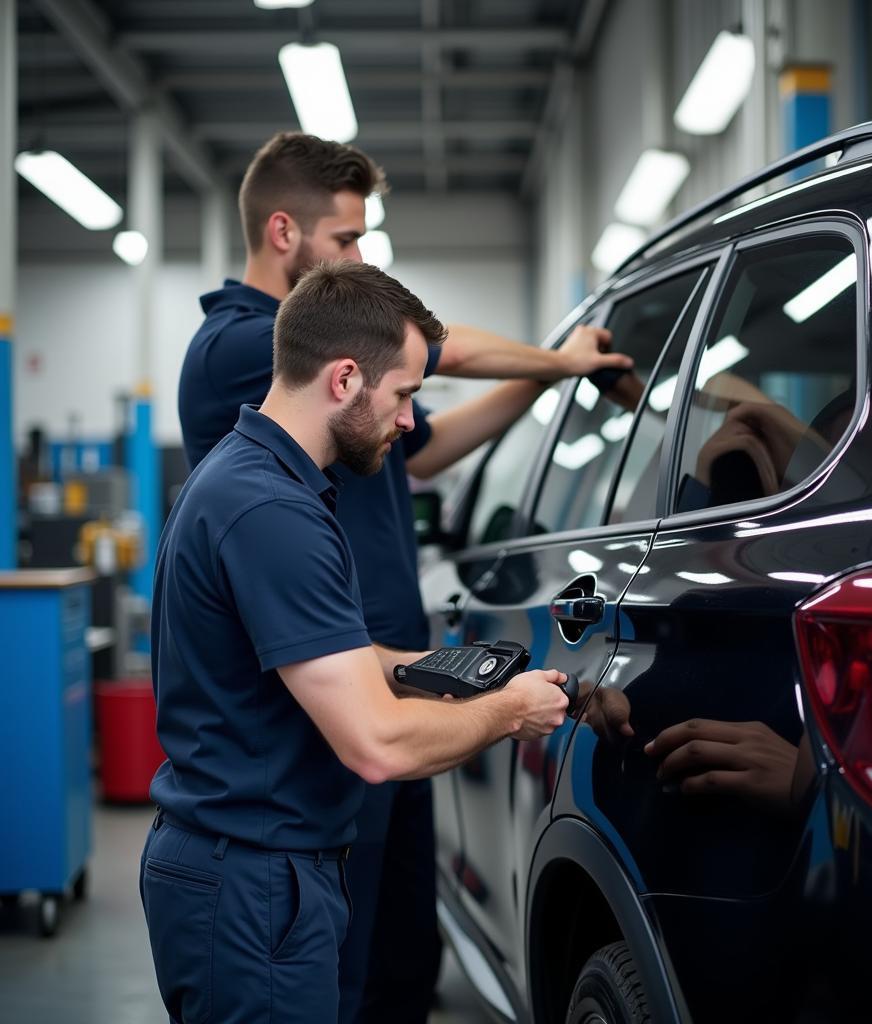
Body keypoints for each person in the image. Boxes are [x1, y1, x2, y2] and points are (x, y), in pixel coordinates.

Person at [176, 131, 631, 1024]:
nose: (359, 253)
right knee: (336, 976)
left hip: (372, 665)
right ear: (283, 232)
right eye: (346, 239)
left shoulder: (334, 434)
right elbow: (432, 344)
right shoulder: (247, 352)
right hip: (308, 741)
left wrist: (544, 390)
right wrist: (565, 358)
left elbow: (420, 451)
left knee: (393, 961)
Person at [142, 260, 571, 1024]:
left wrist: (419, 667)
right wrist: (513, 711)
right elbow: (377, 748)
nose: (410, 422)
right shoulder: (272, 511)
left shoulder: (249, 481)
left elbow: (310, 651)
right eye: (405, 395)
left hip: (248, 867)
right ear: (344, 379)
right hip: (252, 883)